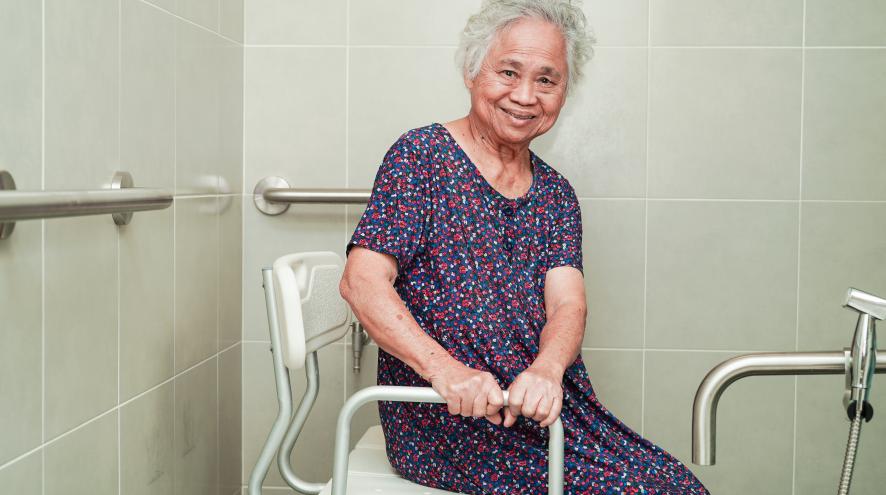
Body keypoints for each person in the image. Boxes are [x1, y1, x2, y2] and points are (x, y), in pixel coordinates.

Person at [340, 1, 710, 493]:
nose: (524, 96)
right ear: (473, 73)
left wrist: (547, 370)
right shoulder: (421, 157)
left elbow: (567, 303)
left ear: (563, 93)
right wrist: (448, 373)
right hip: (450, 421)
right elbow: (361, 282)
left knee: (677, 486)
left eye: (546, 80)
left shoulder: (556, 194)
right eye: (508, 71)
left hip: (548, 411)